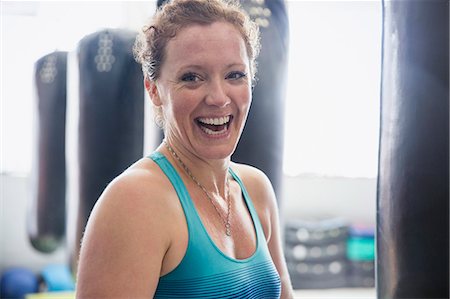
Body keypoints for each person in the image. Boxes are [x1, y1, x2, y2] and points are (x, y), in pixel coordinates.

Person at [76, 0, 294, 298]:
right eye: (192, 77)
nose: (219, 98)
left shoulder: (255, 190)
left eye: (234, 75)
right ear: (154, 90)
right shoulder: (134, 202)